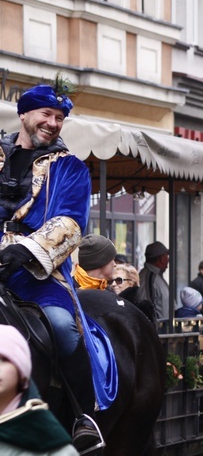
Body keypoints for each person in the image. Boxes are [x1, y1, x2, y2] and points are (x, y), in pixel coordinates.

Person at [0, 81, 111, 451]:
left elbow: (70, 222)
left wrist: (22, 252)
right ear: (24, 114)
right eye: (46, 114)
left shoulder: (71, 169)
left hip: (35, 274)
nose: (53, 123)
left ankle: (84, 417)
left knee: (63, 328)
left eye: (60, 117)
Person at [0, 325, 77, 455]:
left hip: (45, 304)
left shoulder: (57, 451)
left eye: (3, 359)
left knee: (62, 326)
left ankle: (84, 418)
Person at [137, 241, 172, 319]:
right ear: (161, 259)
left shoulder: (154, 277)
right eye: (167, 256)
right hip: (158, 329)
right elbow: (146, 308)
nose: (168, 260)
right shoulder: (149, 279)